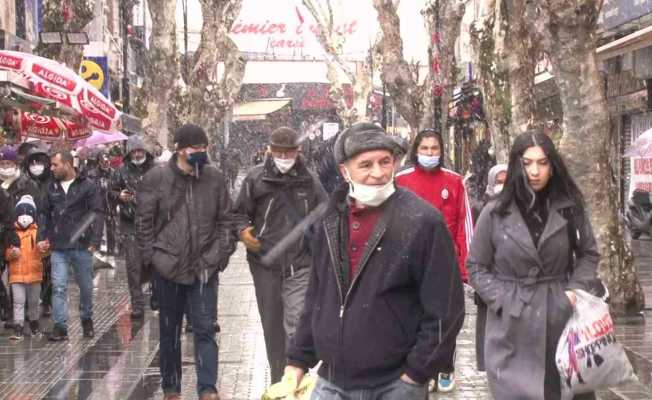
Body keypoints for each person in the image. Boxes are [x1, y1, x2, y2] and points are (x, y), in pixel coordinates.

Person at [285, 122, 465, 400]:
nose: (378, 173)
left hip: (395, 383)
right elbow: (318, 297)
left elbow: (446, 309)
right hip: (332, 381)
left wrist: (416, 373)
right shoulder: (329, 220)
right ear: (345, 171)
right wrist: (298, 359)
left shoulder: (423, 222)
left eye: (385, 162)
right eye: (366, 165)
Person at [467, 130, 600, 400]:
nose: (535, 171)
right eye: (527, 163)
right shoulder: (495, 212)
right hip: (511, 324)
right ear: (517, 165)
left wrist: (574, 292)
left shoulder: (569, 207)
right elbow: (476, 267)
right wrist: (502, 299)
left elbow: (588, 253)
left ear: (553, 165)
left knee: (564, 391)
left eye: (542, 162)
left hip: (561, 317)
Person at [136, 124, 238, 400]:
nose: (201, 153)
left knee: (205, 329)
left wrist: (218, 256)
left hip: (205, 268)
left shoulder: (214, 178)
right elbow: (143, 225)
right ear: (180, 149)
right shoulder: (156, 178)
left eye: (204, 149)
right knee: (169, 332)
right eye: (195, 149)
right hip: (167, 268)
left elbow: (227, 221)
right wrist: (154, 258)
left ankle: (208, 388)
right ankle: (171, 388)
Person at [235, 126, 326, 383]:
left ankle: (295, 378)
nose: (284, 157)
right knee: (272, 327)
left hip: (300, 264)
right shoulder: (255, 179)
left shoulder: (310, 181)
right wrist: (242, 231)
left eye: (289, 152)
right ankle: (278, 379)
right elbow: (237, 213)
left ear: (299, 151)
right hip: (265, 264)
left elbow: (325, 215)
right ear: (269, 150)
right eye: (279, 151)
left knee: (298, 324)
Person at [395, 129, 473, 392]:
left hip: (446, 262)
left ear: (441, 152)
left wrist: (465, 265)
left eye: (434, 149)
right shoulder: (400, 180)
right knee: (417, 318)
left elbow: (464, 224)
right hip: (411, 262)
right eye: (425, 148)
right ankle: (422, 368)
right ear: (416, 151)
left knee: (447, 317)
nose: (429, 153)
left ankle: (446, 367)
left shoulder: (455, 181)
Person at [41, 150, 104, 341]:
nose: (51, 169)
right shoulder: (51, 187)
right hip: (58, 246)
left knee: (85, 287)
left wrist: (94, 241)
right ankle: (60, 326)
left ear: (68, 164)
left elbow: (97, 213)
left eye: (55, 165)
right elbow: (44, 214)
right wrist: (42, 237)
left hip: (82, 245)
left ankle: (86, 319)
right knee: (59, 286)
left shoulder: (87, 186)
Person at [109, 135, 155, 319]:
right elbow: (109, 193)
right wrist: (119, 195)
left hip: (153, 224)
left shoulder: (156, 170)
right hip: (131, 225)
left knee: (154, 263)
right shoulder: (121, 171)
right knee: (133, 266)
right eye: (134, 151)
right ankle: (137, 304)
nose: (137, 154)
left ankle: (156, 294)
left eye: (140, 151)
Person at [473, 163, 507, 372]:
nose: (502, 187)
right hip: (490, 282)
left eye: (507, 182)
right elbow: (476, 256)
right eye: (499, 182)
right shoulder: (482, 209)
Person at [6, 195, 46, 340]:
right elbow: (5, 253)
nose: (24, 217)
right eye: (21, 214)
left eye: (28, 214)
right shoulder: (11, 234)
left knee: (34, 302)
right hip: (16, 275)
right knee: (18, 302)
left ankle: (34, 326)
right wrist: (11, 253)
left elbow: (45, 250)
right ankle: (18, 328)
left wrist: (44, 247)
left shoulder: (37, 232)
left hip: (34, 275)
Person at [24, 144, 53, 316]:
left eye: (39, 162)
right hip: (29, 230)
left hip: (48, 230)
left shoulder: (52, 183)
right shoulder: (25, 183)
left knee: (48, 270)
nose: (36, 165)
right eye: (33, 162)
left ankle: (46, 300)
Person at [86, 150, 117, 255]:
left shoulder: (114, 173)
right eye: (103, 162)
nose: (106, 164)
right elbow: (88, 191)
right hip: (97, 206)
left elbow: (117, 188)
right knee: (97, 229)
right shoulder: (92, 174)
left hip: (110, 205)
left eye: (107, 162)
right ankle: (96, 249)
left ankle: (111, 250)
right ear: (98, 162)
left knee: (111, 227)